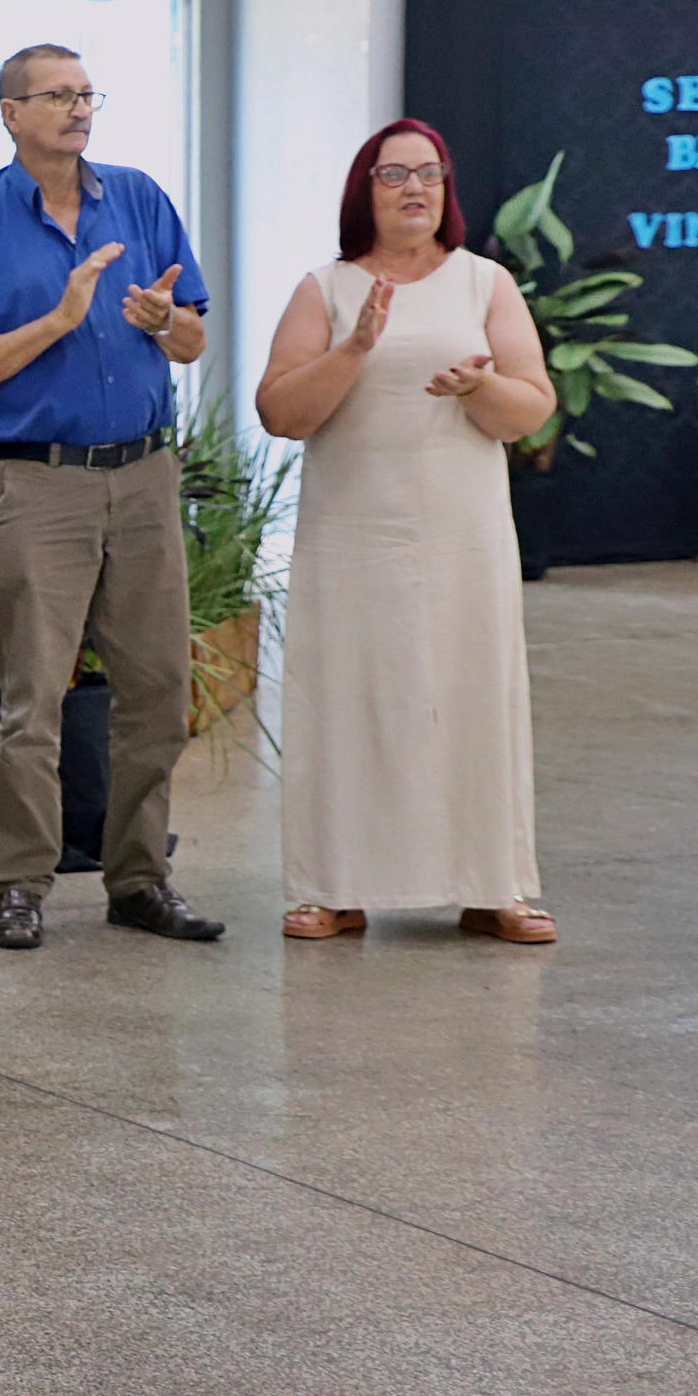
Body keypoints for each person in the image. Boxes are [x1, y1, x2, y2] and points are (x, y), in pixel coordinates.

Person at [0, 43, 223, 951]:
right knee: (34, 699)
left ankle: (139, 880)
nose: (78, 108)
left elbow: (193, 341)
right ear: (11, 112)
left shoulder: (139, 199)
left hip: (144, 476)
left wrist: (165, 322)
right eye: (57, 95)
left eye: (87, 93)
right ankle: (21, 885)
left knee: (158, 690)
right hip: (36, 481)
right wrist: (57, 321)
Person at [256, 120, 559, 944]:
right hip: (353, 533)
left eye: (428, 172)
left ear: (446, 188)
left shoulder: (484, 282)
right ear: (366, 190)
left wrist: (476, 389)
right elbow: (282, 413)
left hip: (463, 533)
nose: (414, 188)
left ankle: (493, 887)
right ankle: (332, 886)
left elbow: (530, 409)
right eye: (394, 174)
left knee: (473, 694)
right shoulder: (325, 289)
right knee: (348, 699)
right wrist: (354, 348)